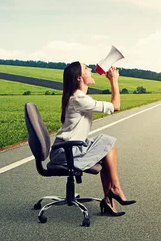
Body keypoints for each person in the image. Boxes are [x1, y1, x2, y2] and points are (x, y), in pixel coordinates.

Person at [49, 61, 135, 217]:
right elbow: (115, 106)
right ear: (79, 78)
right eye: (86, 69)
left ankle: (109, 200)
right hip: (65, 151)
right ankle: (114, 189)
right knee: (108, 143)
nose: (90, 70)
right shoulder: (79, 99)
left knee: (108, 145)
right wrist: (114, 80)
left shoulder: (79, 97)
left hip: (70, 147)